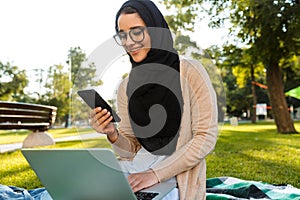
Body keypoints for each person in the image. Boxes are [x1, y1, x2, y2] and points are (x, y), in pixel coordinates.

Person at [90, 0, 218, 199]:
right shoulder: (125, 87)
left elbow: (205, 137)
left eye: (137, 31)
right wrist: (112, 133)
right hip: (136, 168)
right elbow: (130, 149)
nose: (129, 42)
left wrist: (154, 175)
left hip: (177, 176)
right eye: (122, 35)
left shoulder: (191, 72)